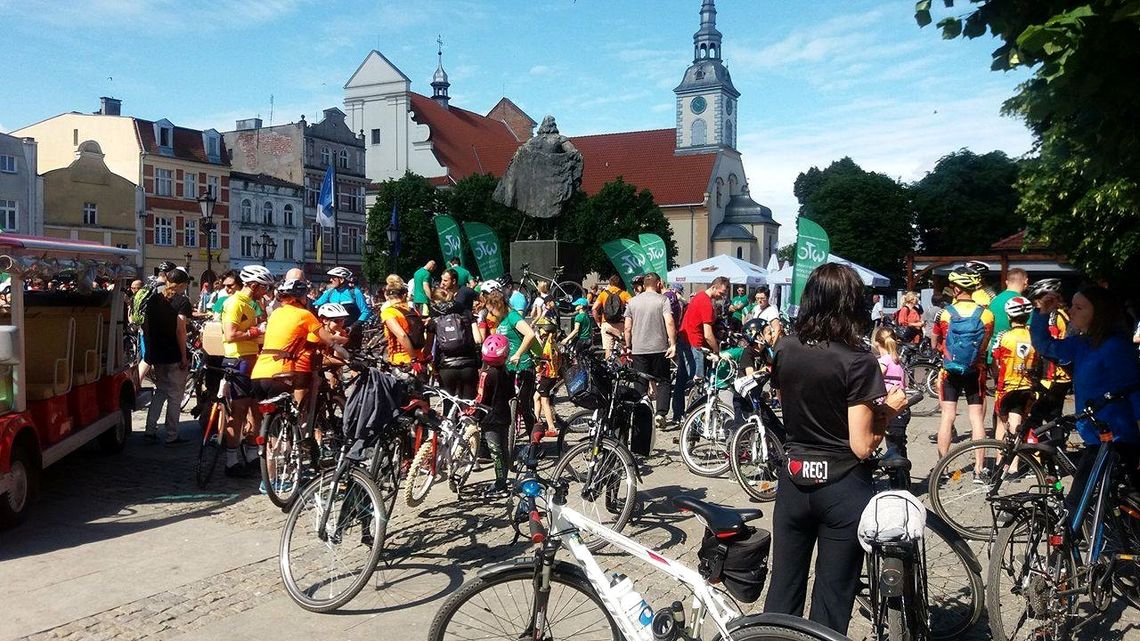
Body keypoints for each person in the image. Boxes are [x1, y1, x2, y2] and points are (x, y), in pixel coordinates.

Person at [764, 263, 907, 635]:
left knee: (783, 589)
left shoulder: (786, 348)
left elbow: (791, 400)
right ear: (852, 305)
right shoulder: (858, 361)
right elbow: (862, 445)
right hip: (841, 485)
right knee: (831, 597)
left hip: (794, 482)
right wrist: (887, 412)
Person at [1029, 285, 1140, 509]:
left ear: (1098, 313)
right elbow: (1046, 346)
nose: (1071, 311)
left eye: (1079, 307)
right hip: (1094, 435)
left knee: (1078, 503)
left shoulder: (1116, 346)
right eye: (1072, 305)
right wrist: (1042, 314)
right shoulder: (1083, 343)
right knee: (1097, 502)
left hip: (1117, 440)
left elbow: (1135, 393)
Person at [251, 281, 348, 447]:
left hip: (258, 372)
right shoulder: (304, 314)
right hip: (281, 371)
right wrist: (347, 354)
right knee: (295, 413)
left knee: (271, 434)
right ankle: (295, 449)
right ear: (300, 297)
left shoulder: (275, 313)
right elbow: (328, 339)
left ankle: (268, 465)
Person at [932, 268, 995, 478]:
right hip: (974, 371)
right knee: (976, 418)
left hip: (949, 370)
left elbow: (936, 342)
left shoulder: (945, 313)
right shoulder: (987, 314)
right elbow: (984, 345)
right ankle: (979, 469)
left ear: (956, 289)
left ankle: (943, 467)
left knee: (947, 417)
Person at [220, 264, 274, 476]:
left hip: (252, 359)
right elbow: (231, 334)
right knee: (239, 413)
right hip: (237, 361)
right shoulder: (234, 303)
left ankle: (252, 457)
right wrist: (255, 331)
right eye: (264, 287)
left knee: (255, 411)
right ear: (253, 285)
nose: (267, 292)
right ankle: (231, 462)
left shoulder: (250, 303)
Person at [141, 268, 193, 445]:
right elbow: (180, 329)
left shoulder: (154, 299)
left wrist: (150, 353)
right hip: (173, 353)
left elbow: (146, 326)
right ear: (182, 285)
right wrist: (184, 355)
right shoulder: (182, 301)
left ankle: (149, 430)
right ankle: (172, 434)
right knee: (175, 395)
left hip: (157, 353)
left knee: (161, 391)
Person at [623, 272, 676, 428]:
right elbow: (670, 322)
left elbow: (627, 328)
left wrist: (629, 346)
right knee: (664, 381)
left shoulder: (632, 302)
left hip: (639, 349)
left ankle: (641, 414)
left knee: (640, 383)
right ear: (658, 283)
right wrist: (673, 343)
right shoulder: (663, 300)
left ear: (644, 285)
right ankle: (661, 413)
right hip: (659, 348)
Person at [673, 276, 729, 423]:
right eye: (722, 293)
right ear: (715, 287)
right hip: (694, 345)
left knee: (681, 380)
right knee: (697, 381)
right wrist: (718, 352)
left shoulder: (698, 296)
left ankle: (678, 415)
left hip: (684, 341)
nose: (722, 296)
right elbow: (708, 335)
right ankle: (694, 418)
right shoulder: (706, 304)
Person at [485, 290, 537, 441]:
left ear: (499, 305)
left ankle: (534, 442)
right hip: (508, 368)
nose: (491, 314)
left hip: (523, 366)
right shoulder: (501, 320)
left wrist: (518, 354)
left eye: (491, 310)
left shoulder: (513, 316)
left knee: (525, 406)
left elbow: (530, 334)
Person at [990, 296, 1038, 449]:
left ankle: (1006, 465)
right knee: (1020, 424)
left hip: (1007, 387)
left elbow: (995, 363)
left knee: (1003, 426)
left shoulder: (1003, 336)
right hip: (1028, 387)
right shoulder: (1034, 337)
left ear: (1009, 316)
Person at [430, 285, 482, 415]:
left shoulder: (434, 319)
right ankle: (469, 431)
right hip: (469, 366)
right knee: (469, 406)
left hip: (446, 367)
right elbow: (478, 339)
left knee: (448, 406)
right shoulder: (466, 313)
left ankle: (450, 432)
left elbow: (428, 348)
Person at [871, 325, 912, 487]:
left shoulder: (883, 361)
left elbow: (875, 380)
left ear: (876, 343)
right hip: (902, 409)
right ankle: (905, 481)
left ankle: (898, 484)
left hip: (890, 408)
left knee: (893, 448)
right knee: (899, 445)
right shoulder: (897, 360)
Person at [475, 333, 513, 496]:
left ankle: (500, 485)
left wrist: (473, 412)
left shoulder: (486, 374)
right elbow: (511, 393)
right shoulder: (507, 373)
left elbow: (481, 397)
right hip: (504, 416)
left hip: (489, 418)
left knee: (495, 451)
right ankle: (503, 479)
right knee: (503, 450)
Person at [987, 268, 1029, 362]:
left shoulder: (993, 302)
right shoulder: (1024, 304)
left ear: (1007, 282)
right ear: (1026, 282)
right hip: (1014, 356)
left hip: (993, 356)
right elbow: (1028, 330)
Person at [380, 281, 423, 367]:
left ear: (387, 296)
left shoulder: (388, 312)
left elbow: (402, 336)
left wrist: (413, 359)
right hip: (420, 356)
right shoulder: (412, 311)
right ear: (404, 295)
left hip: (402, 360)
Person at [534, 319, 562, 440]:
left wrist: (538, 368)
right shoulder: (554, 344)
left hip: (547, 377)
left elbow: (543, 360)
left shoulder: (547, 345)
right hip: (553, 376)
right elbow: (560, 361)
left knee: (545, 401)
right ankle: (537, 420)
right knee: (536, 397)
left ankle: (551, 427)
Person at [593, 275, 631, 360]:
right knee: (624, 347)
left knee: (608, 351)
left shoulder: (603, 294)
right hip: (620, 324)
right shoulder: (624, 294)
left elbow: (594, 309)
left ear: (610, 283)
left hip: (606, 324)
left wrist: (598, 322)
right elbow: (633, 306)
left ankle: (609, 367)